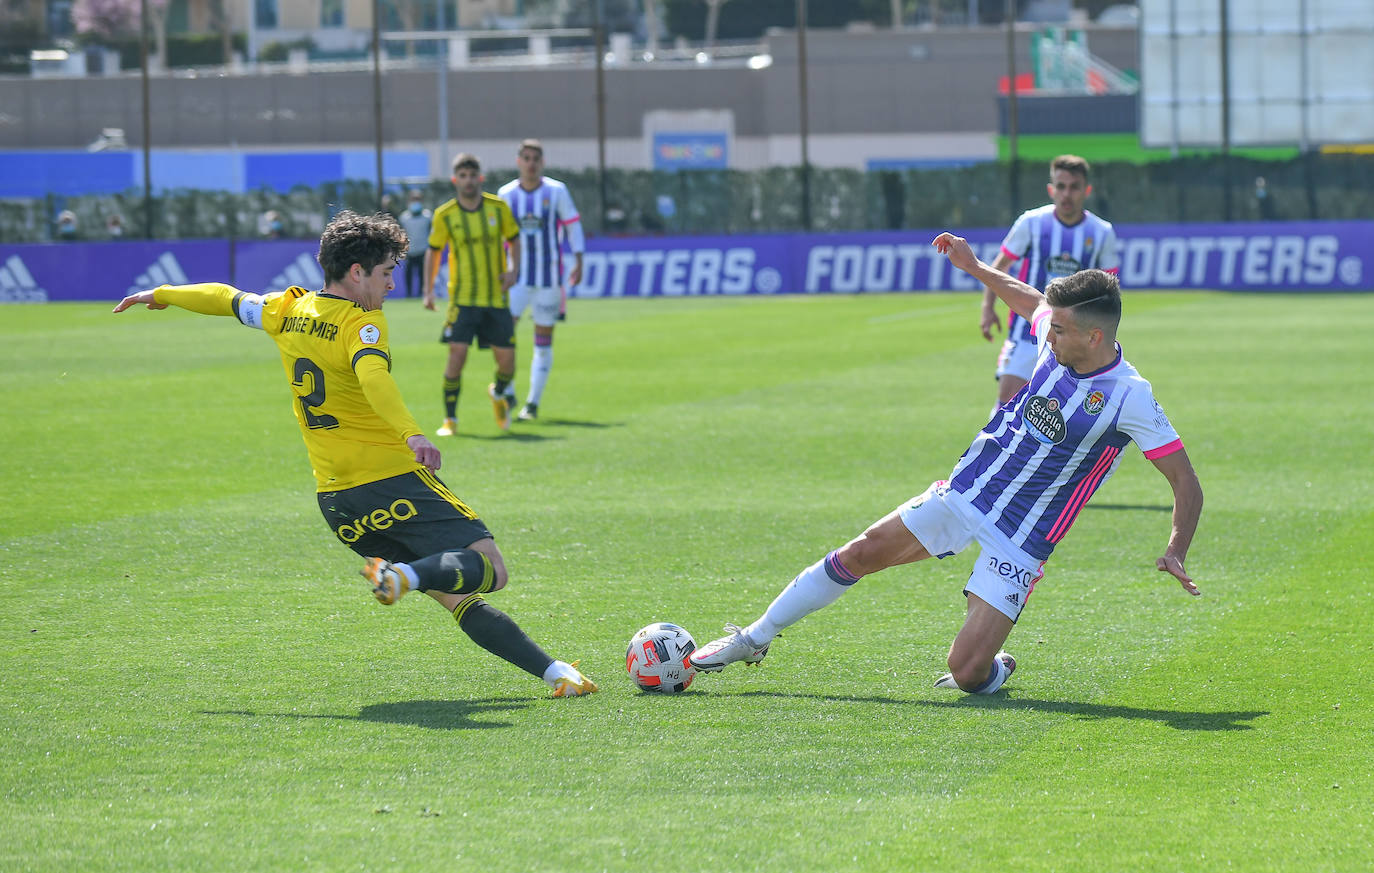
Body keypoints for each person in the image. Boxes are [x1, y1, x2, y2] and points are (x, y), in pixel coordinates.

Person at [689, 232, 1202, 695]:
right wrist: (976, 266)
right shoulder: (1059, 331)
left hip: (1023, 537)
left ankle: (995, 666)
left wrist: (1176, 547)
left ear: (1095, 337)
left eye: (1060, 331)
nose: (1046, 337)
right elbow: (1033, 303)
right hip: (967, 493)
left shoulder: (1129, 397)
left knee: (967, 674)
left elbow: (1185, 480)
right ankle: (755, 637)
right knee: (862, 552)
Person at [112, 210, 596, 698]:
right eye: (386, 273)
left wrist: (163, 294)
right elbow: (373, 377)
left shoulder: (288, 310)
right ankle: (403, 573)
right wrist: (413, 434)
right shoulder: (361, 323)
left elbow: (225, 297)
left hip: (336, 504)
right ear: (357, 272)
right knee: (491, 569)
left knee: (455, 596)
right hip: (390, 479)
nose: (390, 285)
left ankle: (555, 674)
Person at [979, 155, 1119, 415]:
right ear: (1051, 189)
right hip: (1026, 331)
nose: (1067, 194)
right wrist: (988, 308)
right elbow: (999, 267)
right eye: (1061, 186)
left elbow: (1110, 291)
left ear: (1086, 191)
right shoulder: (1031, 223)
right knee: (1008, 399)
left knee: (1068, 413)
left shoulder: (1101, 232)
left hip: (1075, 336)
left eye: (1074, 187)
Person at [423, 153, 521, 435]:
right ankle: (450, 419)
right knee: (457, 356)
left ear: (480, 178)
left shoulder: (497, 207)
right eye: (462, 176)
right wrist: (428, 291)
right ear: (455, 180)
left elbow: (514, 239)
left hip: (495, 298)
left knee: (507, 363)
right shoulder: (445, 214)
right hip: (463, 299)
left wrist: (513, 270)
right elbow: (434, 251)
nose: (468, 181)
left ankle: (498, 392)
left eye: (472, 175)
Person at [496, 139, 586, 421]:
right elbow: (499, 236)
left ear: (542, 162)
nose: (531, 163)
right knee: (504, 337)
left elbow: (572, 225)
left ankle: (532, 403)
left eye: (536, 158)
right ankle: (508, 391)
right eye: (526, 157)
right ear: (518, 161)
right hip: (516, 278)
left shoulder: (556, 190)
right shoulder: (507, 194)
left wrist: (579, 260)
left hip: (548, 278)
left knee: (543, 340)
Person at [398, 190, 432, 299]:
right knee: (409, 274)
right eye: (413, 200)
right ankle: (409, 294)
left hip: (423, 250)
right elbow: (402, 234)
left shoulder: (428, 216)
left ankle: (421, 294)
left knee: (423, 274)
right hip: (410, 251)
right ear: (409, 201)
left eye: (418, 200)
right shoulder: (404, 217)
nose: (415, 202)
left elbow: (431, 232)